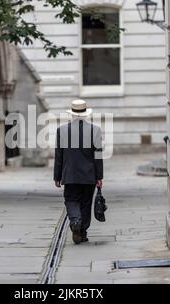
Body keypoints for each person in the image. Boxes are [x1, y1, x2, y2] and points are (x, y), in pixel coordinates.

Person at [54, 99, 104, 245]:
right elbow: (98, 156)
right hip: (89, 175)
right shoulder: (95, 130)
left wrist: (57, 176)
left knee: (71, 200)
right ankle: (82, 231)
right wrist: (99, 176)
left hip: (69, 174)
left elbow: (59, 156)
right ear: (85, 114)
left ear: (72, 114)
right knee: (86, 203)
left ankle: (75, 221)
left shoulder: (61, 130)